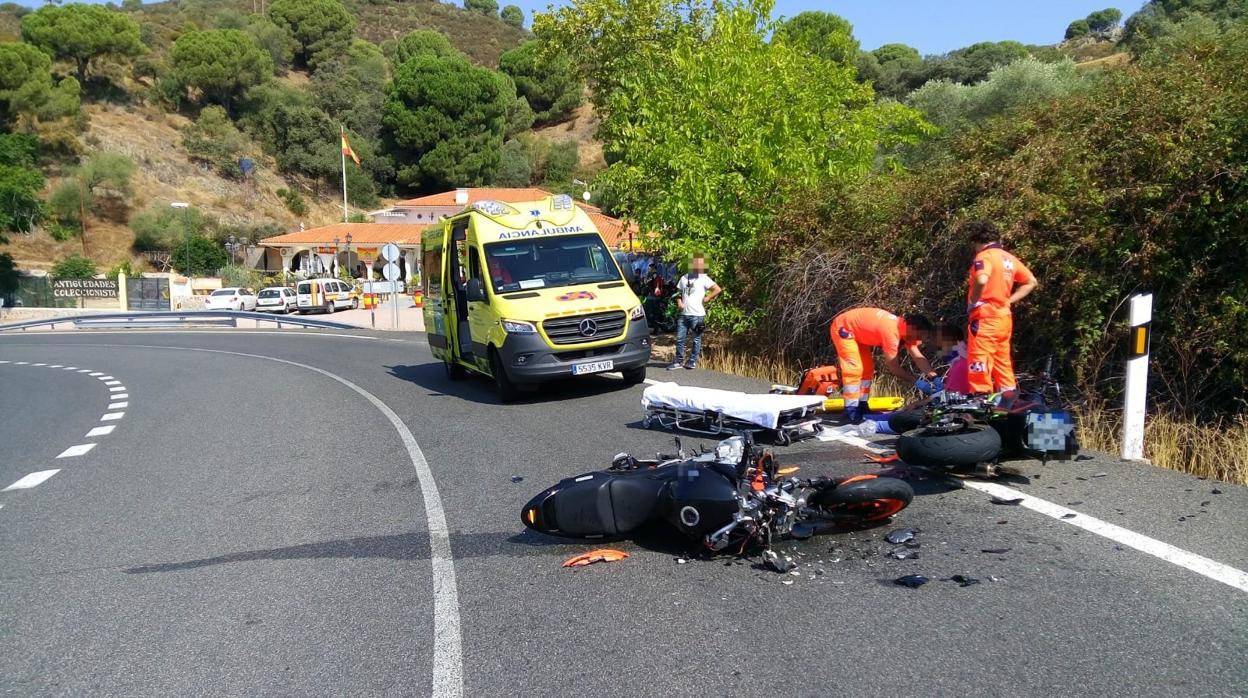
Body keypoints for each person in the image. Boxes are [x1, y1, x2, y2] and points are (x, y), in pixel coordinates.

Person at [963, 221, 1038, 395]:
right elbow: (1031, 282)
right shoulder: (1009, 258)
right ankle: (1009, 399)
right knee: (1002, 360)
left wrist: (973, 302)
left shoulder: (984, 256)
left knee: (979, 357)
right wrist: (1008, 301)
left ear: (977, 241)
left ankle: (980, 398)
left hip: (985, 317)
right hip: (1004, 318)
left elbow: (982, 279)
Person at [830, 308, 937, 424]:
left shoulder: (906, 330)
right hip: (844, 328)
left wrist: (934, 376)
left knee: (867, 369)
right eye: (919, 336)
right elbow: (894, 367)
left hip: (857, 332)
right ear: (912, 329)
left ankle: (861, 405)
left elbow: (917, 357)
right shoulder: (891, 333)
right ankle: (850, 411)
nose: (919, 341)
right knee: (854, 369)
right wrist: (917, 382)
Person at [667, 254, 722, 370]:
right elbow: (678, 292)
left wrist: (708, 298)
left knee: (696, 338)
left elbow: (717, 289)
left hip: (698, 315)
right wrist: (679, 303)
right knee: (680, 338)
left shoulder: (704, 278)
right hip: (684, 315)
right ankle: (678, 360)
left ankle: (692, 361)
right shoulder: (684, 278)